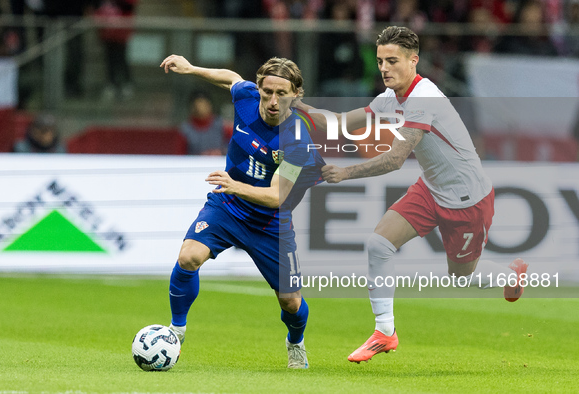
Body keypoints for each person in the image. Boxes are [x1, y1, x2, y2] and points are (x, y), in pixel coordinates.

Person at [303, 26, 528, 364]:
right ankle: (385, 332)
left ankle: (510, 276)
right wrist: (296, 106)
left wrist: (345, 173)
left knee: (462, 277)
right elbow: (339, 122)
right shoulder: (391, 97)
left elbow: (395, 160)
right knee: (379, 244)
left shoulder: (424, 97)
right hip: (431, 188)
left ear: (413, 60)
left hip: (466, 200)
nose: (384, 68)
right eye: (380, 61)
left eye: (392, 61)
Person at [159, 54, 325, 368]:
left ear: (296, 95)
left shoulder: (298, 138)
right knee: (188, 256)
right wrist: (192, 68)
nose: (272, 101)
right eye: (267, 93)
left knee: (290, 302)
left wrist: (234, 185)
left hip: (270, 222)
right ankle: (175, 331)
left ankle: (295, 341)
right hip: (227, 208)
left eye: (281, 94)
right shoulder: (247, 99)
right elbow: (231, 78)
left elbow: (277, 196)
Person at [179, 91, 232, 155]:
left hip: (219, 163)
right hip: (194, 164)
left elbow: (235, 147)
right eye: (197, 105)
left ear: (210, 105)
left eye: (204, 104)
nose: (200, 108)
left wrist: (222, 152)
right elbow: (180, 156)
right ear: (192, 107)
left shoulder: (222, 125)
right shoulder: (184, 130)